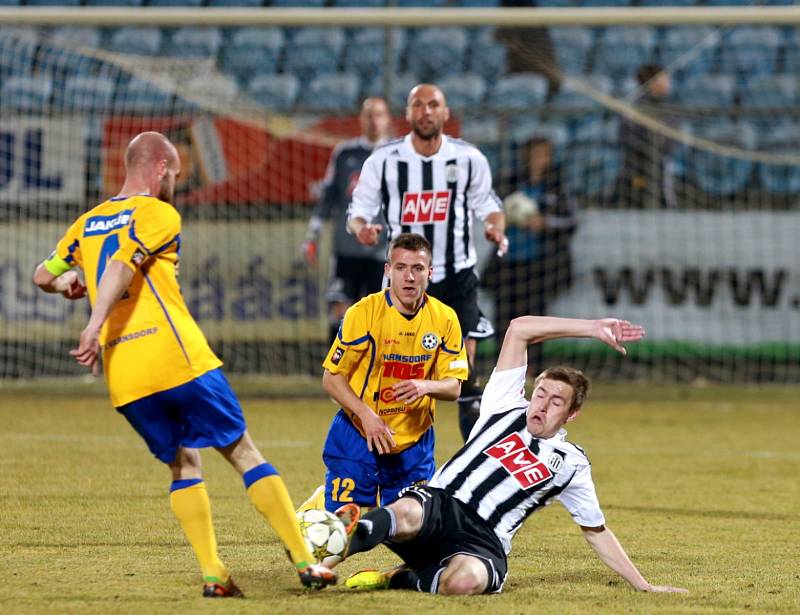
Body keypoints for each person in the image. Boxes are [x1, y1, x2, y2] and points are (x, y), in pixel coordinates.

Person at [32, 132, 335, 597]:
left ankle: (214, 574)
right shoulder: (157, 212)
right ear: (159, 168)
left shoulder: (86, 222)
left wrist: (70, 282)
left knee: (183, 465)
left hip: (126, 377)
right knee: (243, 452)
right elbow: (123, 263)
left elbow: (42, 275)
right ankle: (305, 562)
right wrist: (93, 323)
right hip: (177, 359)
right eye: (173, 174)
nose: (174, 182)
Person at [332, 315, 688, 596]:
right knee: (405, 510)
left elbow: (596, 531)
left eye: (556, 402)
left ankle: (400, 580)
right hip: (439, 507)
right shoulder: (504, 405)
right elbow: (519, 329)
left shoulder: (571, 463)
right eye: (541, 394)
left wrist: (643, 585)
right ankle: (324, 560)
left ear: (572, 414)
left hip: (483, 541)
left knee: (463, 583)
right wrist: (593, 328)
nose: (542, 405)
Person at [347, 83, 508, 443]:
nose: (425, 111)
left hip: (456, 277)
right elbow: (357, 212)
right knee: (388, 377)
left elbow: (490, 206)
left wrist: (496, 229)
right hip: (404, 282)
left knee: (466, 381)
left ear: (445, 113)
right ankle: (378, 448)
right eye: (417, 104)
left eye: (433, 104)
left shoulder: (468, 159)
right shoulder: (385, 160)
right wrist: (362, 230)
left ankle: (474, 460)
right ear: (408, 114)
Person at [309, 233, 468, 513]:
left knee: (413, 529)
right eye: (401, 268)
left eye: (417, 269)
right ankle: (319, 505)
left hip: (412, 442)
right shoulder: (364, 313)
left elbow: (454, 387)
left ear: (429, 273)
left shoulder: (445, 319)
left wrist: (424, 386)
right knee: (345, 525)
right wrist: (366, 415)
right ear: (387, 270)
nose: (409, 277)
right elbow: (331, 377)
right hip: (359, 433)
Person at [483, 136, 577, 377]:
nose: (538, 160)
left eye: (543, 154)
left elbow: (572, 222)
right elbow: (489, 214)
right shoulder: (509, 183)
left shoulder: (557, 186)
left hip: (540, 264)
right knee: (504, 316)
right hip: (507, 261)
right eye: (534, 154)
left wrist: (544, 223)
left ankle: (533, 367)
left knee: (535, 318)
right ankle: (503, 367)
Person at [303, 97, 392, 344]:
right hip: (346, 248)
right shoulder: (345, 153)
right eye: (369, 115)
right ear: (361, 120)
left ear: (387, 119)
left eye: (379, 115)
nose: (374, 121)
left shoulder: (398, 155)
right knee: (340, 309)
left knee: (379, 315)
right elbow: (329, 195)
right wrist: (313, 234)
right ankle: (336, 372)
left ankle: (373, 374)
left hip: (381, 251)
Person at [618, 63, 678, 209]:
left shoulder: (669, 108)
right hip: (637, 161)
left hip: (662, 160)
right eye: (664, 78)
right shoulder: (633, 107)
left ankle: (667, 207)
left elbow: (674, 137)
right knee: (636, 193)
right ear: (652, 82)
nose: (668, 82)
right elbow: (625, 136)